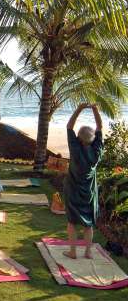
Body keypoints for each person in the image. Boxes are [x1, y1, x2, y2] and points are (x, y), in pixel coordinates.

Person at [63, 103, 103, 259]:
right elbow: (100, 127)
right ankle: (88, 252)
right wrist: (95, 109)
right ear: (92, 140)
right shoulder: (96, 151)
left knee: (72, 222)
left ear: (78, 139)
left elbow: (69, 126)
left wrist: (79, 109)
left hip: (73, 190)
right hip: (89, 192)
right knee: (88, 223)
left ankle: (73, 251)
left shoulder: (75, 148)